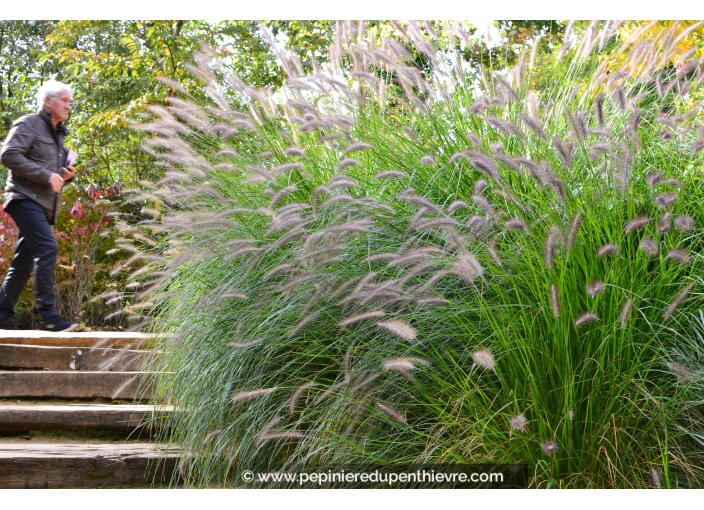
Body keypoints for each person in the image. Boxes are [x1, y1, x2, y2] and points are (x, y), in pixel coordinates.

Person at [0, 80, 78, 332]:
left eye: (69, 101)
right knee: (47, 248)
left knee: (23, 262)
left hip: (42, 205)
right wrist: (46, 175)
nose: (68, 106)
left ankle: (1, 315)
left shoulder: (58, 135)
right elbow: (9, 155)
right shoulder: (28, 124)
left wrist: (65, 175)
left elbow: (53, 174)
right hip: (23, 198)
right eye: (64, 100)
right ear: (48, 101)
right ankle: (48, 316)